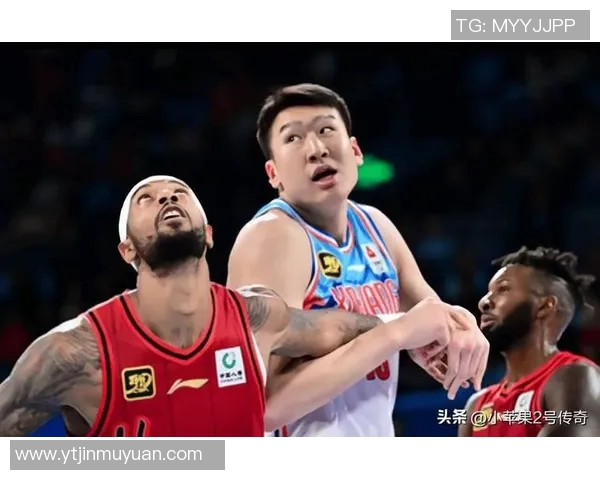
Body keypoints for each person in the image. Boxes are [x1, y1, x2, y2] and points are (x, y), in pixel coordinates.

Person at [0, 175, 461, 437]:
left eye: (179, 193)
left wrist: (416, 329)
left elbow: (336, 327)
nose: (167, 198)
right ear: (128, 251)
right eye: (147, 199)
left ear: (209, 235)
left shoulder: (257, 316)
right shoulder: (75, 353)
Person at [227, 83, 490, 437]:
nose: (316, 149)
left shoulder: (375, 225)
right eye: (293, 138)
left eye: (325, 130)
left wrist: (461, 326)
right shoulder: (271, 237)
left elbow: (431, 317)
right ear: (273, 174)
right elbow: (260, 408)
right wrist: (395, 334)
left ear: (355, 151)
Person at [459, 246, 600, 437]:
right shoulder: (476, 406)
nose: (484, 302)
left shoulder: (577, 377)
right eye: (488, 292)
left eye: (503, 289)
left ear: (545, 306)